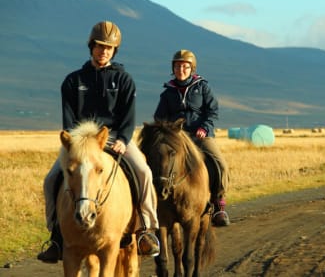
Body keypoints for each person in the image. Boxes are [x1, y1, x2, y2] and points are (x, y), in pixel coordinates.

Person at [37, 21, 160, 263]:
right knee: (51, 179)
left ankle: (146, 229)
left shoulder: (124, 80)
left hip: (115, 139)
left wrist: (124, 140)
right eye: (100, 46)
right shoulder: (73, 81)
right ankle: (56, 236)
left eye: (109, 48)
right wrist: (75, 144)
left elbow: (128, 117)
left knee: (143, 171)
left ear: (114, 51)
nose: (104, 51)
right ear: (91, 47)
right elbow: (69, 120)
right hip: (82, 145)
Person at [154, 49, 230, 227]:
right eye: (178, 66)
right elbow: (159, 118)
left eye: (185, 66)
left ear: (192, 68)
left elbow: (213, 112)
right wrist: (170, 132)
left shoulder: (202, 87)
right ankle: (156, 203)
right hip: (178, 138)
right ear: (173, 68)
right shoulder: (167, 93)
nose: (181, 69)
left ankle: (219, 204)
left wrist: (205, 127)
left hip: (200, 136)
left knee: (220, 164)